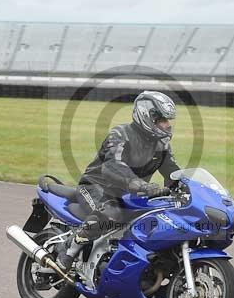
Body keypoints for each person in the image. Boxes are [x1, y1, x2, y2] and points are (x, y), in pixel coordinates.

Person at [56, 90, 181, 270]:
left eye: (168, 121)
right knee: (110, 214)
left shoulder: (161, 145)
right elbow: (112, 166)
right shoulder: (121, 134)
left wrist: (187, 189)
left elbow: (173, 173)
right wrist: (142, 185)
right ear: (147, 116)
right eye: (162, 120)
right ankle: (67, 250)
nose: (167, 125)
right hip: (95, 187)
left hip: (131, 195)